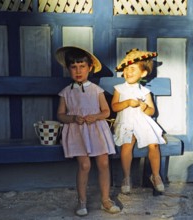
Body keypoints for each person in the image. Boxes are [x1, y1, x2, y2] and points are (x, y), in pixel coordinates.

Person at [55, 46, 120, 216]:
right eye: (73, 67)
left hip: (97, 130)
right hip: (77, 132)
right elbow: (61, 115)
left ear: (90, 68)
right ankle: (82, 201)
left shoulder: (96, 90)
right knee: (84, 165)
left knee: (104, 163)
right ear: (68, 69)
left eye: (82, 66)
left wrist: (97, 116)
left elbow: (106, 112)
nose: (78, 71)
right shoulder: (65, 93)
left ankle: (105, 199)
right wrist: (73, 118)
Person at [111, 48, 166, 194]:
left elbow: (151, 111)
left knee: (153, 144)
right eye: (127, 69)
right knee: (128, 143)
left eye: (133, 69)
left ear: (143, 73)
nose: (128, 72)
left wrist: (144, 107)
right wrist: (128, 102)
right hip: (126, 121)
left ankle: (156, 175)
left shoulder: (145, 92)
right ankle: (127, 177)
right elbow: (115, 107)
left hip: (142, 121)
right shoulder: (119, 89)